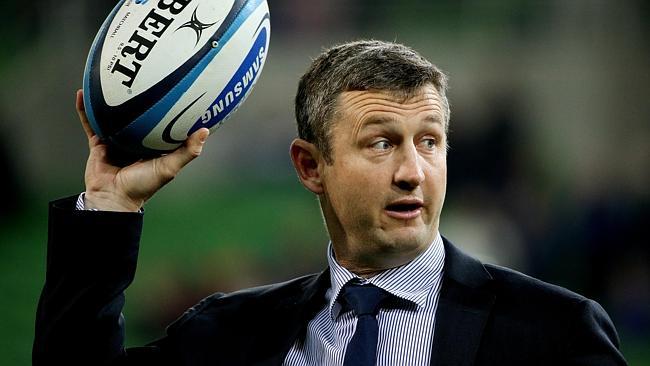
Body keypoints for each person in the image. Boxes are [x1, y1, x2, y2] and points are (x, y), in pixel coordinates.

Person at [33, 40, 627, 365]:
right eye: (380, 143)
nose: (411, 172)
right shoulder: (226, 335)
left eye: (430, 142)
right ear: (311, 166)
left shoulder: (556, 334)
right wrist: (109, 205)